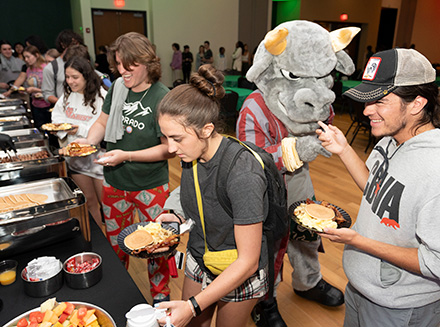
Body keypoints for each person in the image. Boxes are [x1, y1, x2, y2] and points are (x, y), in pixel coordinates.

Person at [316, 48, 440, 326]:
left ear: (417, 104)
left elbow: (436, 262)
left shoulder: (436, 169)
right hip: (361, 287)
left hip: (399, 306)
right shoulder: (390, 139)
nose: (367, 110)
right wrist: (344, 149)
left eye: (380, 101)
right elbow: (375, 191)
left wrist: (359, 241)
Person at [156, 64, 268, 327]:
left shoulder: (243, 173)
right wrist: (173, 213)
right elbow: (194, 189)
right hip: (200, 254)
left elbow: (249, 262)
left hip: (237, 269)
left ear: (206, 129)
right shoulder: (192, 149)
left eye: (177, 138)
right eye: (166, 137)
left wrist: (193, 306)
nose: (171, 148)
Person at [77, 32, 174, 304]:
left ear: (146, 62)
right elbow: (101, 123)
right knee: (116, 244)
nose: (121, 71)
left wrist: (127, 155)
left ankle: (161, 298)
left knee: (156, 246)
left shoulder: (161, 97)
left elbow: (168, 148)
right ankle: (118, 294)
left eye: (127, 65)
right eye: (118, 64)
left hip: (151, 186)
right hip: (114, 183)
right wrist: (87, 143)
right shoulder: (118, 88)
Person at [51, 56, 107, 229]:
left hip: (98, 159)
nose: (70, 82)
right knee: (89, 202)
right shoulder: (67, 96)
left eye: (75, 77)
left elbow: (102, 126)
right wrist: (60, 128)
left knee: (105, 204)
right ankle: (100, 242)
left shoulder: (101, 97)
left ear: (86, 76)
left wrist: (79, 129)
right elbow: (57, 117)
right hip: (75, 159)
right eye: (67, 77)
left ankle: (113, 246)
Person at [3, 46, 51, 130]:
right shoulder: (28, 69)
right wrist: (25, 91)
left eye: (28, 57)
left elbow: (52, 89)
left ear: (36, 55)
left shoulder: (46, 68)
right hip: (35, 104)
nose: (26, 59)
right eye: (24, 57)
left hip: (47, 104)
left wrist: (35, 90)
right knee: (39, 128)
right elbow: (23, 81)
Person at [42, 29, 84, 105]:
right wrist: (65, 103)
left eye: (78, 44)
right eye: (72, 44)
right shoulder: (51, 68)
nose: (76, 47)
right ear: (63, 45)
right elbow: (47, 94)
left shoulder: (83, 62)